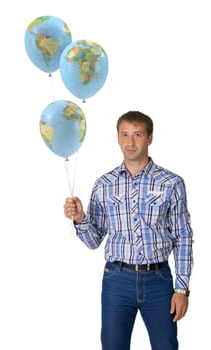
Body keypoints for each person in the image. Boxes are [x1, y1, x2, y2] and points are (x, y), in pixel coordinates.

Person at [64, 111, 193, 350]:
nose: (130, 142)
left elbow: (183, 237)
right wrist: (81, 218)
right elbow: (94, 241)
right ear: (117, 138)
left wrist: (181, 288)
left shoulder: (171, 183)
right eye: (124, 135)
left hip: (159, 280)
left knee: (166, 346)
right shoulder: (104, 184)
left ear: (150, 138)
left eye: (137, 135)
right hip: (117, 280)